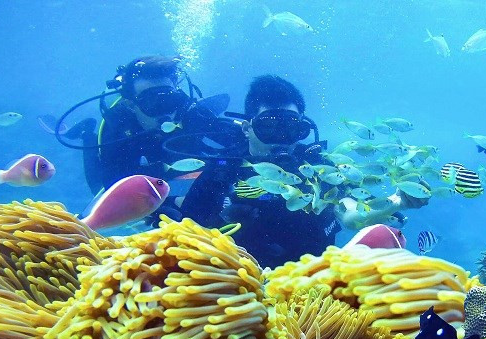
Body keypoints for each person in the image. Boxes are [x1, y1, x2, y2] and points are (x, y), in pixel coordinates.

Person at [179, 75, 341, 268]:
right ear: (247, 128)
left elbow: (349, 204)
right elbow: (186, 228)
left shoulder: (318, 168)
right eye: (268, 127)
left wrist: (358, 215)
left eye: (291, 128)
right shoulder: (222, 171)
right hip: (236, 282)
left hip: (313, 280)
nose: (281, 139)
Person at [61, 55, 230, 197]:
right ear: (131, 104)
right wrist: (168, 203)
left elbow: (236, 140)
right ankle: (86, 132)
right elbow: (112, 186)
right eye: (152, 103)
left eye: (170, 100)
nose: (165, 112)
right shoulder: (118, 125)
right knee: (96, 187)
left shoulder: (188, 111)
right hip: (137, 157)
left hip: (173, 162)